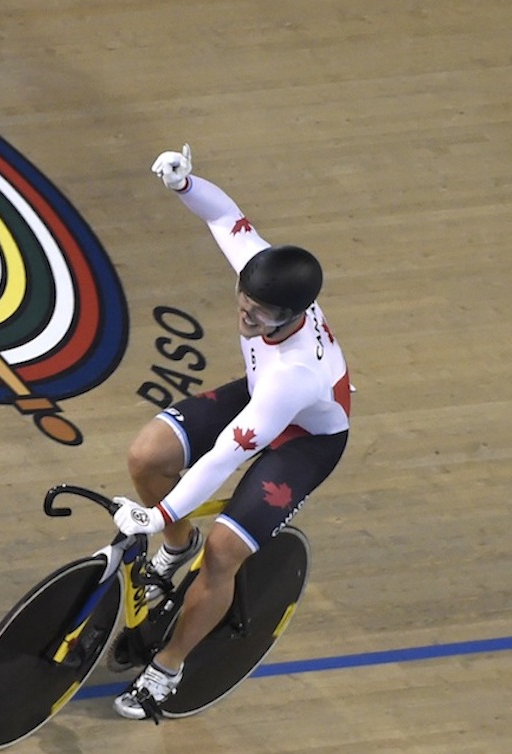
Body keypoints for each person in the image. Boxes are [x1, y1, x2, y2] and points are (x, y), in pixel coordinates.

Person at [110, 144, 352, 720]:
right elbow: (226, 217)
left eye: (260, 313)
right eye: (245, 300)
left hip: (304, 438)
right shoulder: (263, 276)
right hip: (258, 394)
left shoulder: (296, 372)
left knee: (223, 553)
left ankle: (168, 667)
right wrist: (184, 184)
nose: (246, 314)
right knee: (147, 457)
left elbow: (222, 456)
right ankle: (177, 549)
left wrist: (159, 514)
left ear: (293, 316)